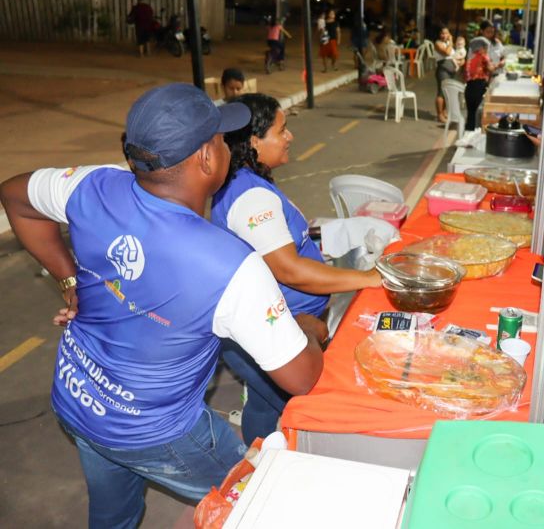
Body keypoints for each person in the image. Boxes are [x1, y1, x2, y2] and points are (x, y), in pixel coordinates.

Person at [0, 83, 326, 528]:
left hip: (78, 399)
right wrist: (308, 328)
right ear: (207, 158)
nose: (227, 145)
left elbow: (16, 195)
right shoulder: (232, 267)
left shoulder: (91, 186)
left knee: (114, 515)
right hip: (160, 433)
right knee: (262, 501)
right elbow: (302, 377)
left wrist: (69, 280)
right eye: (220, 137)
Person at [211, 93, 382, 443]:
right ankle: (269, 467)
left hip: (271, 326)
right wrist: (370, 278)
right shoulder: (250, 196)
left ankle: (258, 456)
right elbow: (290, 270)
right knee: (307, 407)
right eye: (281, 130)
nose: (289, 136)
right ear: (254, 141)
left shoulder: (247, 183)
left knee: (263, 402)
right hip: (277, 331)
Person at [464, 38, 497, 131]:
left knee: (471, 113)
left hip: (469, 88)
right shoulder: (483, 56)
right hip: (479, 87)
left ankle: (468, 133)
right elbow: (491, 69)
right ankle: (475, 136)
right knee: (478, 114)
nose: (487, 50)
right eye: (486, 47)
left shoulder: (470, 57)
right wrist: (499, 65)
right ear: (481, 48)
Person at [433, 27, 457, 123]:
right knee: (441, 93)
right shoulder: (438, 43)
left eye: (446, 33)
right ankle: (439, 115)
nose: (444, 35)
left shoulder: (448, 44)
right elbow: (447, 53)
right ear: (439, 34)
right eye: (442, 33)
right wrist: (451, 41)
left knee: (447, 92)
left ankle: (444, 112)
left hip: (451, 70)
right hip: (443, 70)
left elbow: (454, 55)